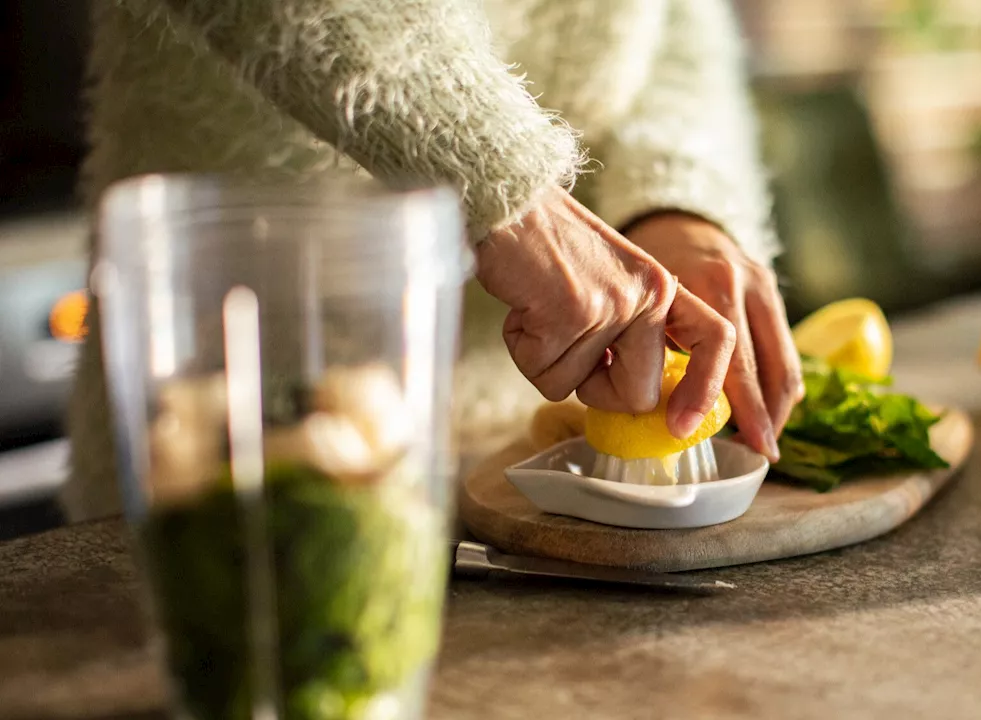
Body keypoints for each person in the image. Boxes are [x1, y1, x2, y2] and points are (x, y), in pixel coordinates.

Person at [62, 0, 804, 522]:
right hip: (236, 422)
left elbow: (679, 19)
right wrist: (502, 189)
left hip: (525, 468)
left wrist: (675, 203)